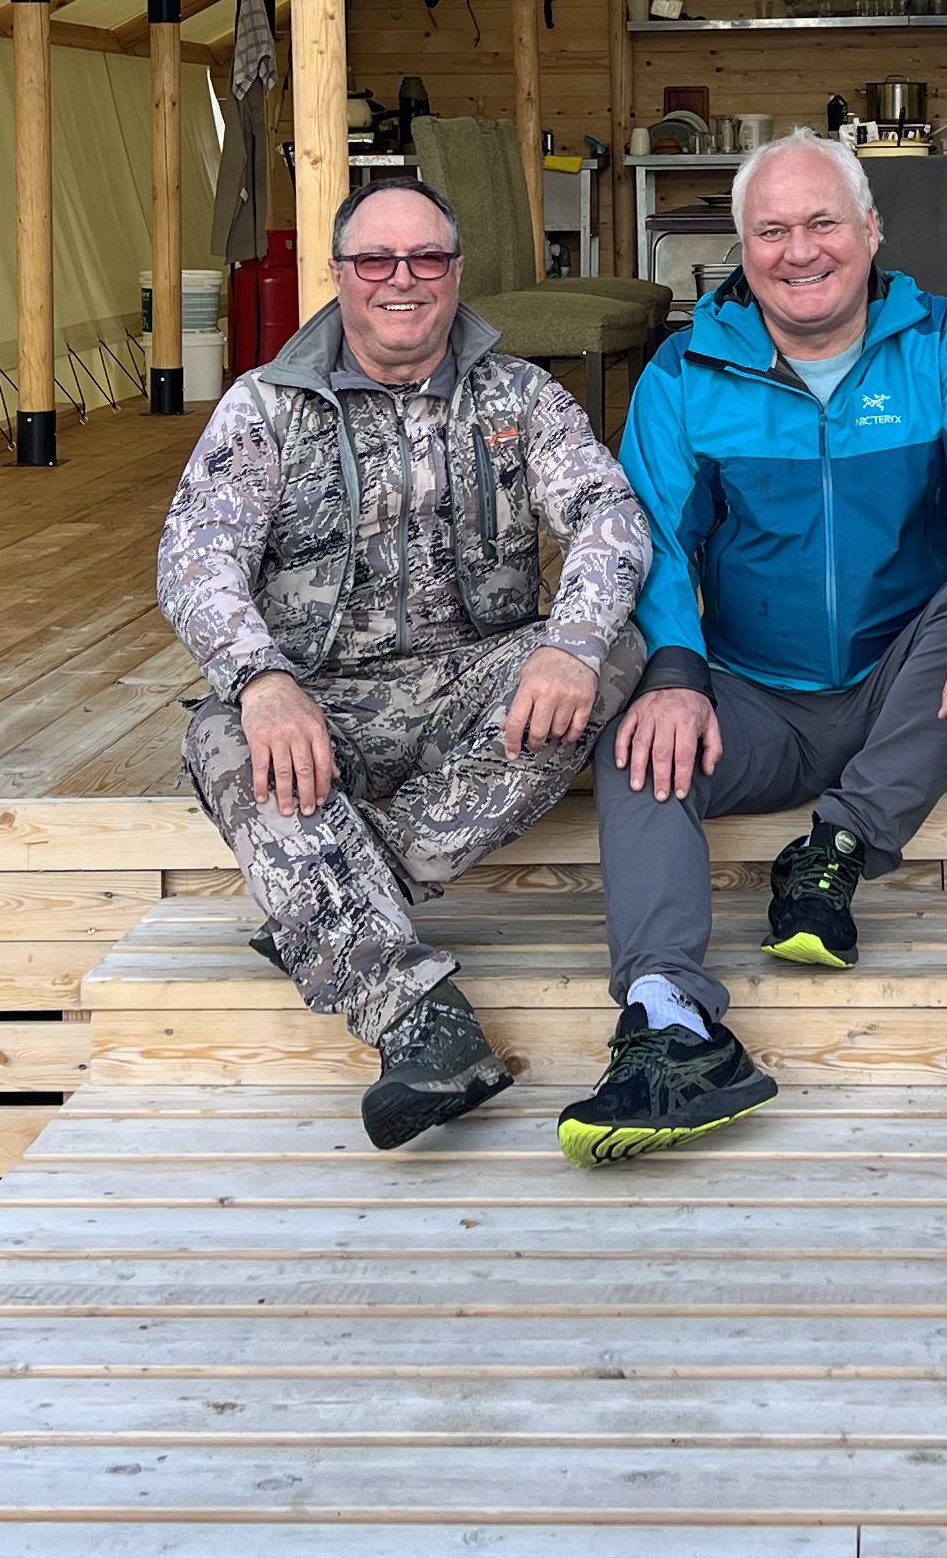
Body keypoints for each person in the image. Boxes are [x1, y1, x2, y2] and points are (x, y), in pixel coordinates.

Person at [562, 132, 947, 1164]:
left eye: (823, 223)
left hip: (903, 689)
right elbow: (648, 539)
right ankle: (669, 1018)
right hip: (757, 701)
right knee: (638, 741)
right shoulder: (687, 372)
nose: (800, 251)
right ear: (742, 249)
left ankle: (834, 849)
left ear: (872, 232)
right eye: (772, 231)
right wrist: (674, 672)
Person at [158, 174, 650, 1149]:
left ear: (457, 272)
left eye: (426, 258)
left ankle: (330, 900)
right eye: (376, 259)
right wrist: (262, 679)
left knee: (613, 652)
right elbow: (194, 556)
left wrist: (571, 643)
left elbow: (609, 516)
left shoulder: (519, 396)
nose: (402, 279)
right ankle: (422, 1023)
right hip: (320, 701)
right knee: (222, 737)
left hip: (475, 681)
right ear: (339, 274)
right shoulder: (266, 407)